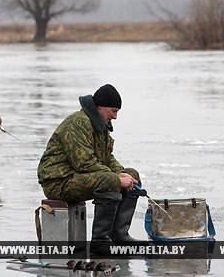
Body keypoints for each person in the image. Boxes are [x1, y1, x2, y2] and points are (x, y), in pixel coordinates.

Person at [37, 84, 144, 251]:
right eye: (113, 111)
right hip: (60, 182)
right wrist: (116, 179)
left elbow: (107, 158)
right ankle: (99, 241)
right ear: (99, 106)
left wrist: (122, 174)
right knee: (110, 180)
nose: (115, 117)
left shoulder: (100, 127)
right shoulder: (79, 123)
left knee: (131, 174)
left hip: (79, 178)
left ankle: (119, 235)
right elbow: (84, 163)